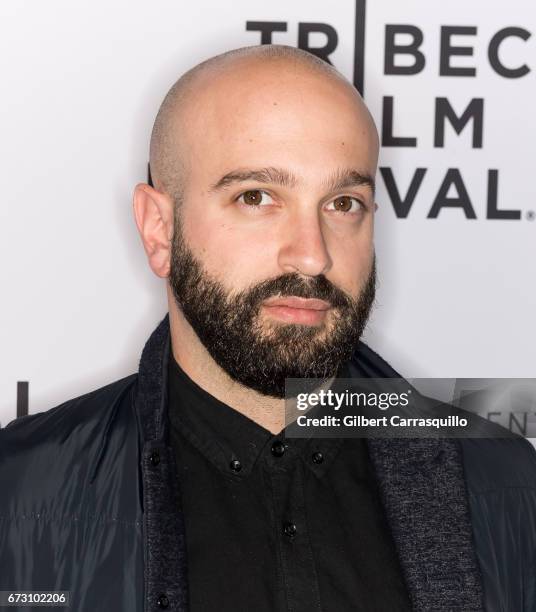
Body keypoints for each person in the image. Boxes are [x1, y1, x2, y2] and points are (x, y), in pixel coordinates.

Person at [1, 44, 535, 612]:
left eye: (344, 203)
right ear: (159, 230)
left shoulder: (508, 485)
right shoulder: (20, 495)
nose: (312, 257)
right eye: (256, 197)